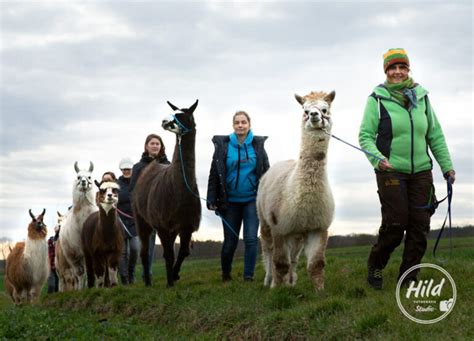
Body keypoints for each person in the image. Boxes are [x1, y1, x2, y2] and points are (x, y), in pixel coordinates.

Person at [359, 48, 455, 290]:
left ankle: (409, 277)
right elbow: (365, 137)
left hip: (421, 171)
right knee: (396, 224)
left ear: (408, 69)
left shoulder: (422, 97)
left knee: (420, 226)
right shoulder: (376, 99)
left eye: (402, 67)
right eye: (393, 68)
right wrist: (378, 159)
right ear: (386, 71)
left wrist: (447, 166)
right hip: (390, 171)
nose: (398, 72)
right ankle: (376, 265)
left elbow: (435, 135)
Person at [207, 111, 270, 282]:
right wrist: (212, 199)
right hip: (229, 203)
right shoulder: (224, 146)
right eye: (237, 123)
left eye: (243, 122)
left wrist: (269, 197)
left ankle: (248, 276)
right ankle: (226, 274)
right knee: (230, 243)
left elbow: (266, 173)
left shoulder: (257, 146)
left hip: (252, 200)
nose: (240, 125)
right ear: (233, 125)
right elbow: (214, 174)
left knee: (251, 239)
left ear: (249, 124)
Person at [129, 133, 171, 279]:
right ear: (146, 146)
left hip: (164, 212)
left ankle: (170, 274)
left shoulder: (169, 165)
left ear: (161, 147)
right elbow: (133, 191)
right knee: (148, 246)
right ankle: (147, 273)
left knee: (168, 244)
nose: (155, 146)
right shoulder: (138, 167)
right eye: (152, 143)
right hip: (146, 214)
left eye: (157, 143)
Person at [117, 157, 140, 285]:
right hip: (120, 221)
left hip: (134, 221)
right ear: (121, 170)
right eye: (124, 169)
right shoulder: (116, 184)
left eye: (129, 169)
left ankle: (131, 272)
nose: (126, 171)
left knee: (135, 248)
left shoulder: (137, 182)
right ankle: (124, 278)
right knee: (122, 252)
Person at [47, 225, 60, 293]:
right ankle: (49, 299)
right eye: (57, 231)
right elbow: (50, 254)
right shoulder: (51, 241)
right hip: (51, 265)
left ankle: (55, 298)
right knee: (51, 285)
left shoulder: (63, 240)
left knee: (57, 285)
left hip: (58, 267)